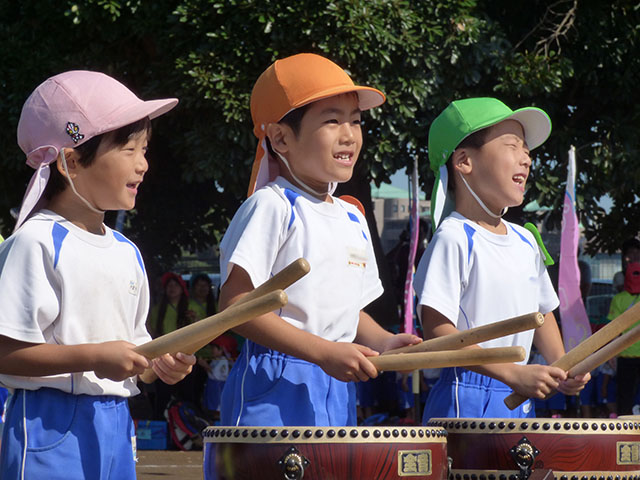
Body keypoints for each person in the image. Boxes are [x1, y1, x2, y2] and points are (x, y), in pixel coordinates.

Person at [0, 70, 195, 479]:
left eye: (145, 149)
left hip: (117, 423)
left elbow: (134, 355)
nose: (143, 164)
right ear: (70, 162)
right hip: (48, 424)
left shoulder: (127, 251)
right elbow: (6, 353)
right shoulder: (35, 242)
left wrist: (158, 364)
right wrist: (95, 357)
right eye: (129, 149)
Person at [218, 53, 421, 427]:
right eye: (332, 120)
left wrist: (383, 341)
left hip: (335, 382)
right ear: (280, 137)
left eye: (355, 121)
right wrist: (322, 351)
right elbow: (235, 306)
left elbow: (346, 312)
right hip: (276, 380)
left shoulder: (353, 216)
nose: (349, 134)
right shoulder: (272, 205)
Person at [414, 97, 589, 420]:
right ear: (464, 161)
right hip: (465, 394)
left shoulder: (526, 240)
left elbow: (541, 313)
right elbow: (437, 331)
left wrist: (562, 365)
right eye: (512, 146)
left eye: (527, 150)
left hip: (519, 391)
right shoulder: (454, 237)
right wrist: (511, 373)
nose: (526, 158)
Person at [607, 261, 640, 415]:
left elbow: (614, 330)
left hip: (625, 355)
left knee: (625, 396)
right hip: (625, 355)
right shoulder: (618, 299)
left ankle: (625, 425)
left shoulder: (619, 299)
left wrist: (610, 354)